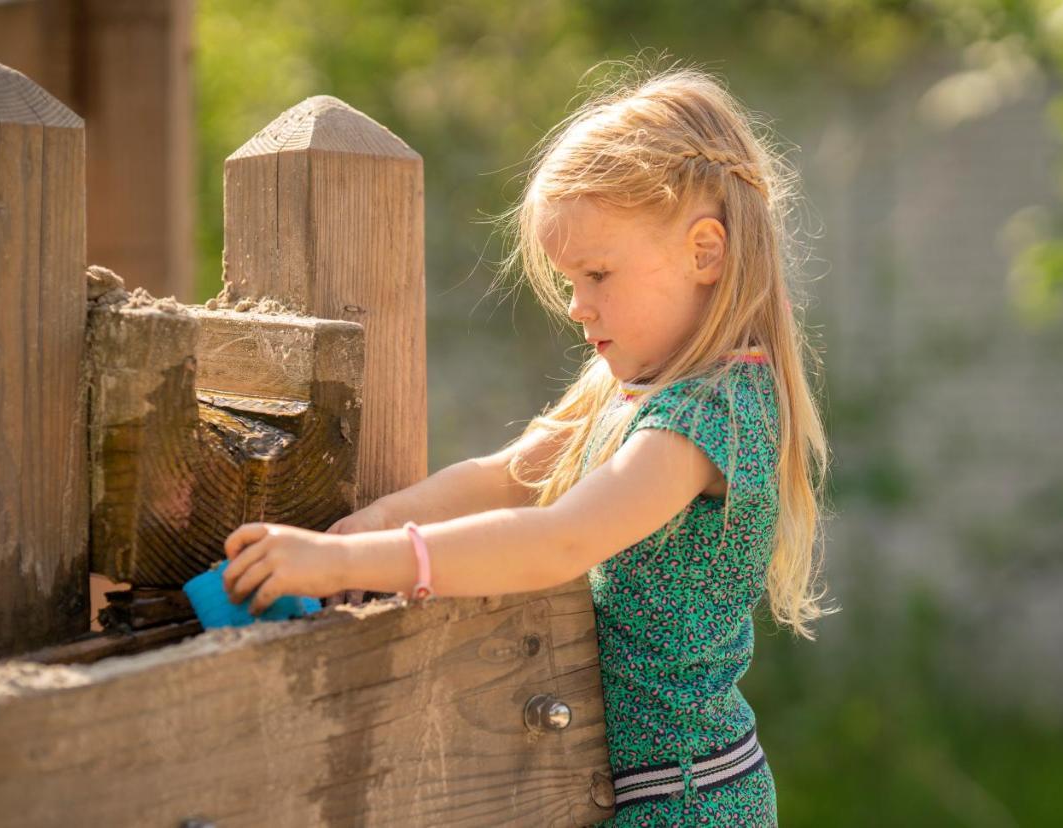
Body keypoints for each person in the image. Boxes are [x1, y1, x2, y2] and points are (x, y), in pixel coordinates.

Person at [221, 60, 836, 827]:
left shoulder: (712, 416)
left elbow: (558, 539)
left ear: (703, 253)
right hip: (623, 788)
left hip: (693, 801)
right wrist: (372, 524)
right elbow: (505, 477)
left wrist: (350, 564)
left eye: (598, 273)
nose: (578, 307)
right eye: (568, 280)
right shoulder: (627, 395)